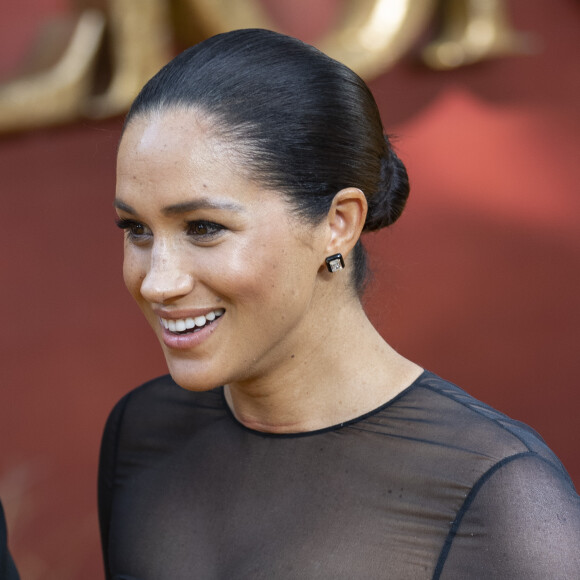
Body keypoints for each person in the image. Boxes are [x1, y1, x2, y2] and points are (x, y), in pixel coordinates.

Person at [99, 28, 580, 579]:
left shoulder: (498, 498)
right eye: (136, 229)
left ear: (338, 222)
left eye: (204, 227)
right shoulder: (142, 432)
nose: (158, 282)